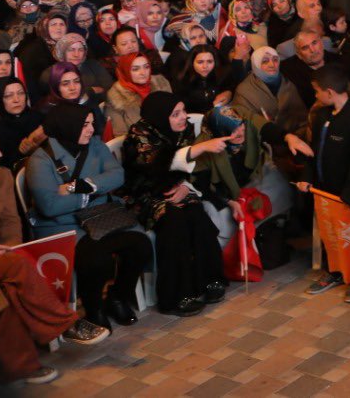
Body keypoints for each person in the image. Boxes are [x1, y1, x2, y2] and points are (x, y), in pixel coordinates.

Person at [0, 126, 104, 386]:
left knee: (7, 284)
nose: (0, 154)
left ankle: (20, 368)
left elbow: (12, 222)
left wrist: (11, 248)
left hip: (2, 260)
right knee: (10, 272)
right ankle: (66, 323)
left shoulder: (0, 176)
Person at [26, 105, 154, 333]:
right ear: (68, 126)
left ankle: (117, 297)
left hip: (100, 216)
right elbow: (50, 205)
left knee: (141, 244)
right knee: (97, 259)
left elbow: (117, 175)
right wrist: (89, 196)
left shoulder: (93, 144)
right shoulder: (40, 159)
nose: (91, 129)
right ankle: (94, 309)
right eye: (85, 124)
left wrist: (81, 186)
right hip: (64, 225)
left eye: (91, 123)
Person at [121, 91, 230, 316]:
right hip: (146, 193)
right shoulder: (139, 134)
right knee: (174, 221)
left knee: (197, 215)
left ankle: (209, 280)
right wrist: (198, 149)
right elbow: (153, 164)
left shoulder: (185, 128)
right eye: (176, 114)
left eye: (183, 111)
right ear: (161, 116)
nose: (183, 117)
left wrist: (184, 187)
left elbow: (191, 167)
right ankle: (176, 296)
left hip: (177, 187)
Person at [300, 65, 350, 303]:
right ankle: (334, 271)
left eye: (316, 91)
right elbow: (312, 152)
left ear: (329, 91)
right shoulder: (321, 116)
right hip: (326, 192)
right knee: (331, 234)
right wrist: (307, 177)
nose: (315, 96)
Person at [103, 53, 172, 140]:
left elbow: (176, 113)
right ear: (125, 71)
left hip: (170, 135)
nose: (143, 72)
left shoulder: (161, 83)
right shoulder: (115, 96)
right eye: (135, 69)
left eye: (146, 67)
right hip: (141, 145)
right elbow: (121, 136)